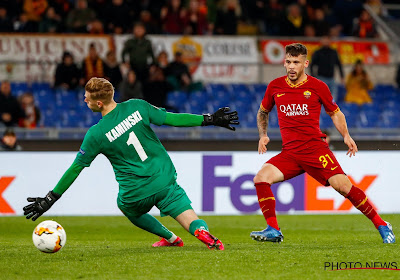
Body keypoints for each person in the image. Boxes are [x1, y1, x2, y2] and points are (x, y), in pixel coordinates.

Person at [23, 77, 239, 250]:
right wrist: (209, 119)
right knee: (191, 219)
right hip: (163, 178)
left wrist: (51, 198)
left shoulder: (96, 134)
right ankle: (202, 232)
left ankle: (171, 238)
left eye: (87, 98)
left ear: (99, 103)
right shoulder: (138, 106)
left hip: (135, 192)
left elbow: (76, 168)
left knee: (126, 207)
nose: (84, 101)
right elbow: (173, 119)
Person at [250, 43, 395, 244]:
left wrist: (346, 135)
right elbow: (263, 111)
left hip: (315, 150)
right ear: (284, 62)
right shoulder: (275, 86)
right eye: (288, 62)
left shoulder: (318, 87)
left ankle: (381, 224)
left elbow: (335, 113)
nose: (291, 67)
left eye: (296, 62)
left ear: (305, 64)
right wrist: (263, 134)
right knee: (261, 178)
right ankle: (273, 229)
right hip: (290, 153)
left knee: (344, 187)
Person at [310, 37, 344, 101]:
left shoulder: (333, 52)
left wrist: (342, 76)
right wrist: (313, 76)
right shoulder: (318, 52)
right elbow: (312, 65)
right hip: (321, 78)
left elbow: (339, 64)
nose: (326, 42)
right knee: (320, 97)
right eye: (324, 40)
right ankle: (321, 110)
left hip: (331, 78)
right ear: (321, 42)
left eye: (327, 40)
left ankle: (332, 110)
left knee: (333, 98)